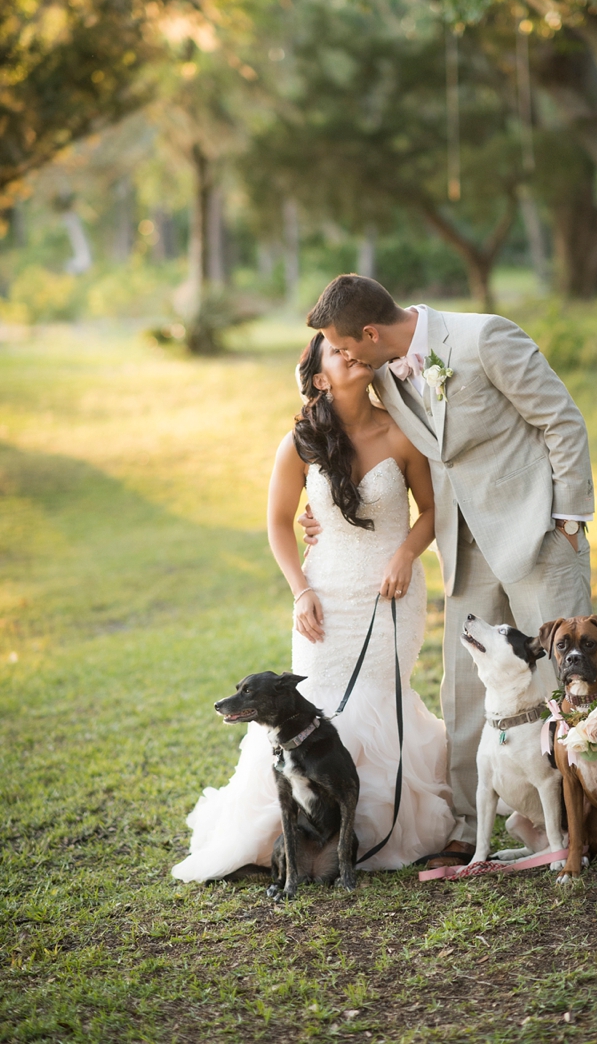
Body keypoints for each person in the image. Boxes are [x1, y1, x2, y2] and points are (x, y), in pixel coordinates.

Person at [301, 275, 594, 866]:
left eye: (346, 345)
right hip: (463, 543)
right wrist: (323, 509)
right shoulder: (381, 368)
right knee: (463, 688)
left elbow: (561, 419)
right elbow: (346, 429)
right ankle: (468, 824)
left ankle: (595, 817)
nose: (346, 357)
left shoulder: (485, 338)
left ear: (371, 331)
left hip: (537, 530)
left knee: (574, 677)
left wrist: (567, 516)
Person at [171, 332, 454, 883]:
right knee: (315, 702)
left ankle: (368, 835)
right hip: (324, 595)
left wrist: (405, 554)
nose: (349, 352)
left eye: (353, 346)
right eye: (336, 350)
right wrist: (301, 590)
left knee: (377, 696)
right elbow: (279, 524)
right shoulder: (298, 443)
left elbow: (433, 510)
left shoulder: (400, 431)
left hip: (392, 595)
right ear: (320, 377)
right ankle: (291, 832)